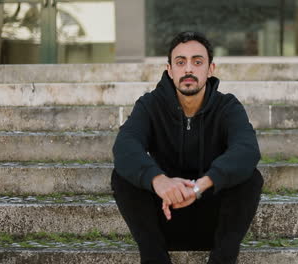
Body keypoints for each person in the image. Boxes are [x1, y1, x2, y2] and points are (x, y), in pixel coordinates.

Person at [111, 31, 263, 264]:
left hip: (214, 223)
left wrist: (200, 186)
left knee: (250, 177)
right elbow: (125, 146)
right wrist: (159, 181)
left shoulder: (227, 106)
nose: (188, 69)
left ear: (210, 69)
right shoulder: (150, 105)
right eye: (180, 62)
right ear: (170, 70)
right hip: (165, 217)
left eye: (197, 61)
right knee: (122, 175)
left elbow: (247, 149)